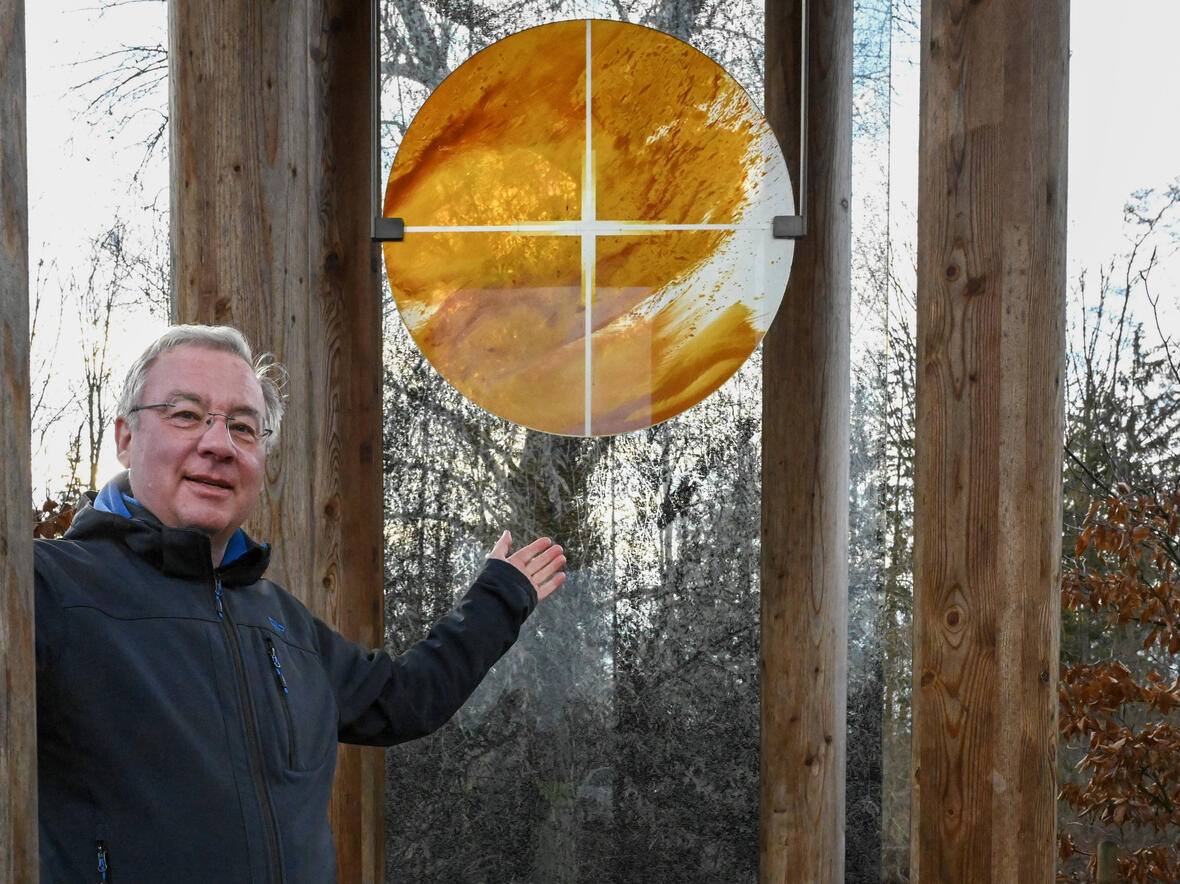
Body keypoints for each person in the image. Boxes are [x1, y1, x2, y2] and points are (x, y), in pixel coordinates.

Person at [33, 324, 566, 883]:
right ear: (124, 437)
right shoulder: (48, 586)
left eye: (243, 427)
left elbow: (403, 700)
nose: (217, 445)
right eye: (186, 415)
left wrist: (500, 597)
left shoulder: (281, 622)